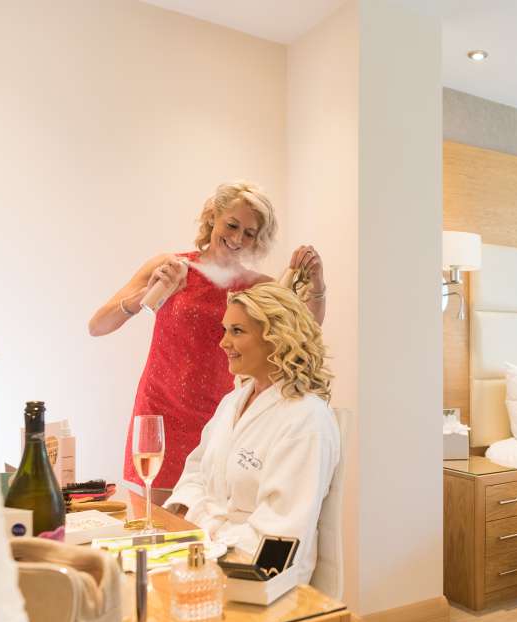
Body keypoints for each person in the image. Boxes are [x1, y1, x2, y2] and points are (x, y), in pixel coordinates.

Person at [88, 181, 327, 497]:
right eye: (232, 225)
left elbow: (305, 331)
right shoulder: (171, 268)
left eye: (250, 233)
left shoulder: (259, 287)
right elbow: (98, 325)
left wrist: (317, 285)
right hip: (161, 413)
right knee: (159, 526)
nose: (237, 238)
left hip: (220, 418)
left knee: (208, 522)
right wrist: (144, 295)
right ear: (213, 217)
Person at [164, 282, 339, 584]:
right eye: (225, 330)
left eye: (237, 331)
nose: (223, 343)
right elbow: (194, 475)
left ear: (276, 338)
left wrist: (204, 530)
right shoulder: (232, 402)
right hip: (208, 550)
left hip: (261, 575)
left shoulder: (306, 419)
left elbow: (280, 533)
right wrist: (199, 527)